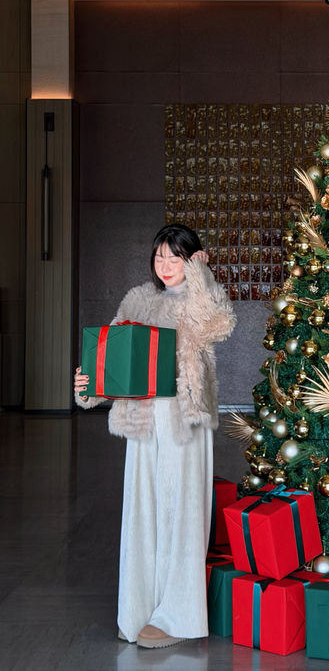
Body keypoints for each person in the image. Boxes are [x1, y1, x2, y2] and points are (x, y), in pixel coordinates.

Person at [74, 223, 236, 649]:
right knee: (142, 513)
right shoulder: (138, 301)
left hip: (184, 420)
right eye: (160, 256)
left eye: (175, 257)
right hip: (143, 421)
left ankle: (178, 617)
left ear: (192, 259)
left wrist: (201, 276)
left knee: (183, 513)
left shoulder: (203, 298)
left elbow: (218, 324)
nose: (165, 265)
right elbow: (111, 357)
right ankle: (138, 608)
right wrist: (89, 386)